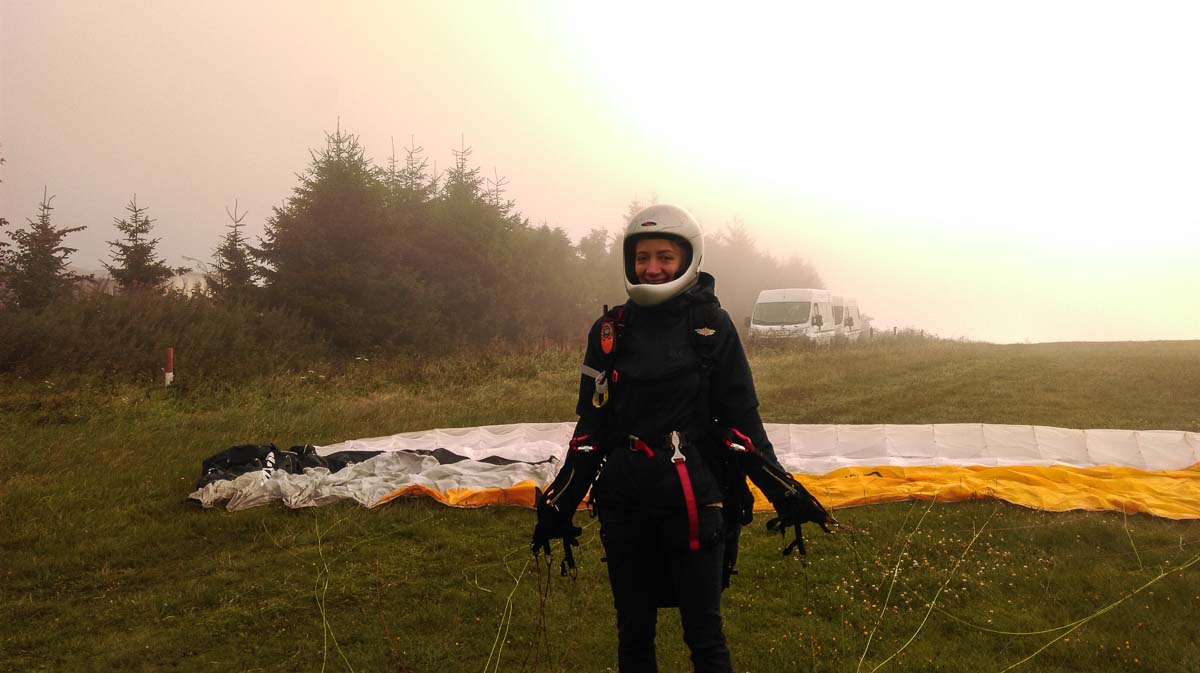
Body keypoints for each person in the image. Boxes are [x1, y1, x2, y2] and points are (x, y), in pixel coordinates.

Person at [531, 204, 833, 673]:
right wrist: (561, 502)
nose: (651, 269)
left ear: (687, 260)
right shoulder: (609, 332)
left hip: (695, 501)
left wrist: (785, 492)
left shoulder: (712, 327)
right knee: (633, 633)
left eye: (664, 257)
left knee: (705, 636)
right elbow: (591, 428)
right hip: (624, 503)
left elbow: (743, 424)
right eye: (643, 257)